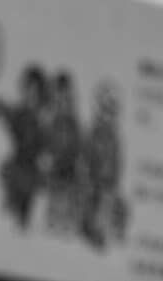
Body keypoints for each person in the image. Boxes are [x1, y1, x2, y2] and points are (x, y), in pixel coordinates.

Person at [0, 66, 48, 231]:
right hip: (18, 161)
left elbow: (44, 142)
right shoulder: (19, 113)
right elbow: (9, 116)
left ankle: (22, 220)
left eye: (35, 93)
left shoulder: (42, 119)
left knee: (27, 195)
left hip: (31, 166)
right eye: (28, 90)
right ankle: (11, 211)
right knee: (11, 180)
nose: (30, 96)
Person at [80, 82, 126, 250]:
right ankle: (90, 231)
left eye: (112, 110)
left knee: (107, 206)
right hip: (93, 182)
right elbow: (86, 155)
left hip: (108, 184)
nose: (108, 114)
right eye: (105, 108)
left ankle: (101, 233)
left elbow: (117, 162)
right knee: (93, 205)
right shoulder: (93, 132)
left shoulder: (114, 137)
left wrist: (114, 182)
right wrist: (87, 178)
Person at [43, 71, 82, 236]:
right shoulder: (52, 121)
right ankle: (53, 218)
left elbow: (78, 141)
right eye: (58, 98)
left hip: (70, 163)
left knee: (68, 191)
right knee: (55, 190)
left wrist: (78, 158)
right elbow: (47, 140)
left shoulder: (73, 122)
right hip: (56, 163)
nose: (62, 102)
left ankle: (66, 220)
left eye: (65, 98)